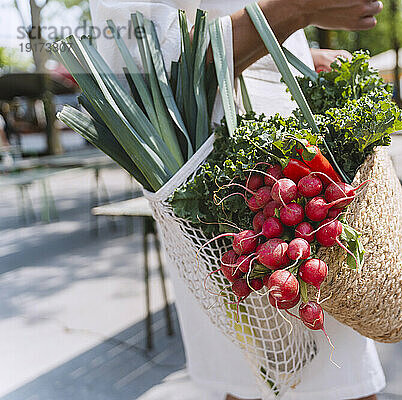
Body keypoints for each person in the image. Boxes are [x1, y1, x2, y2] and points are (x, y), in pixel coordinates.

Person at [90, 1, 384, 399]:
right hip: (224, 212)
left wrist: (299, 54)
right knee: (259, 378)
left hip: (303, 183)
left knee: (345, 378)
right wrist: (295, 9)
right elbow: (143, 66)